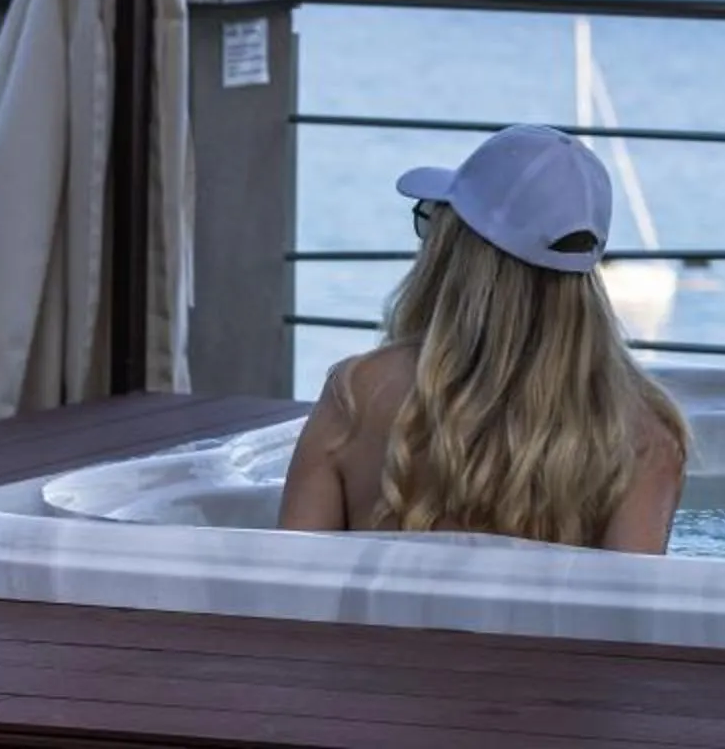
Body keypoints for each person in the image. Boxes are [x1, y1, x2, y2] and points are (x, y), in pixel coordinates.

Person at [277, 123, 688, 552]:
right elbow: (626, 613)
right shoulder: (644, 433)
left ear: (453, 251)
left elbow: (286, 581)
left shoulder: (359, 393)